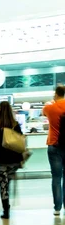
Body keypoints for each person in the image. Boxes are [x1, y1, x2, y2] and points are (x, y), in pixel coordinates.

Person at [0, 101, 23, 219]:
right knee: (8, 183)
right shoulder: (15, 124)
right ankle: (7, 205)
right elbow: (20, 142)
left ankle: (6, 210)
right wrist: (21, 159)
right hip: (13, 161)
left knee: (3, 185)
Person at [43, 85, 65, 215]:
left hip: (54, 144)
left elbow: (43, 112)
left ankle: (57, 208)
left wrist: (53, 101)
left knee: (56, 177)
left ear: (56, 94)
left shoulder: (50, 107)